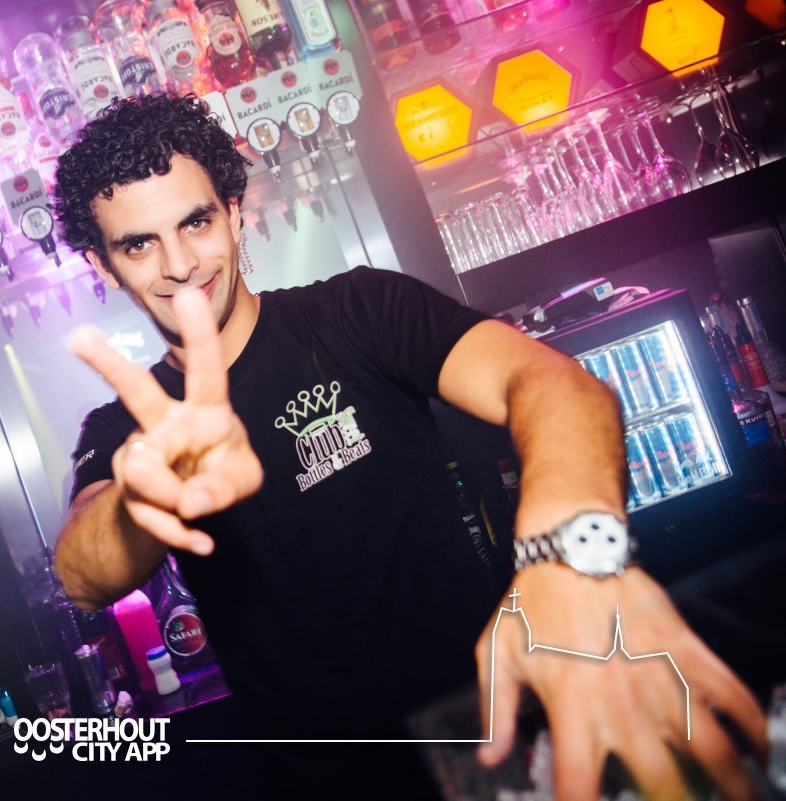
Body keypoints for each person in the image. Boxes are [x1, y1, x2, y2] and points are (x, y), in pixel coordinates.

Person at [51, 93, 766, 799]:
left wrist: (572, 556)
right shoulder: (123, 430)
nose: (179, 264)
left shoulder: (359, 312)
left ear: (235, 215)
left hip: (496, 746)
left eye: (196, 221)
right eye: (139, 244)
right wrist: (145, 491)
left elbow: (552, 385)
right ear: (103, 265)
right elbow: (83, 572)